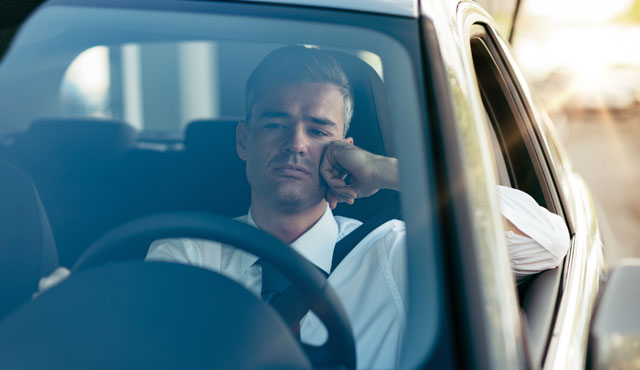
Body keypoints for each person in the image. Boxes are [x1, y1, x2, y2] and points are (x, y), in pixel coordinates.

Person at [143, 45, 570, 369]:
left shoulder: (394, 251)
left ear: (346, 149)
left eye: (317, 129)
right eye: (275, 124)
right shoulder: (187, 254)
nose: (295, 144)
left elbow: (545, 243)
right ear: (243, 141)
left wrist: (385, 170)